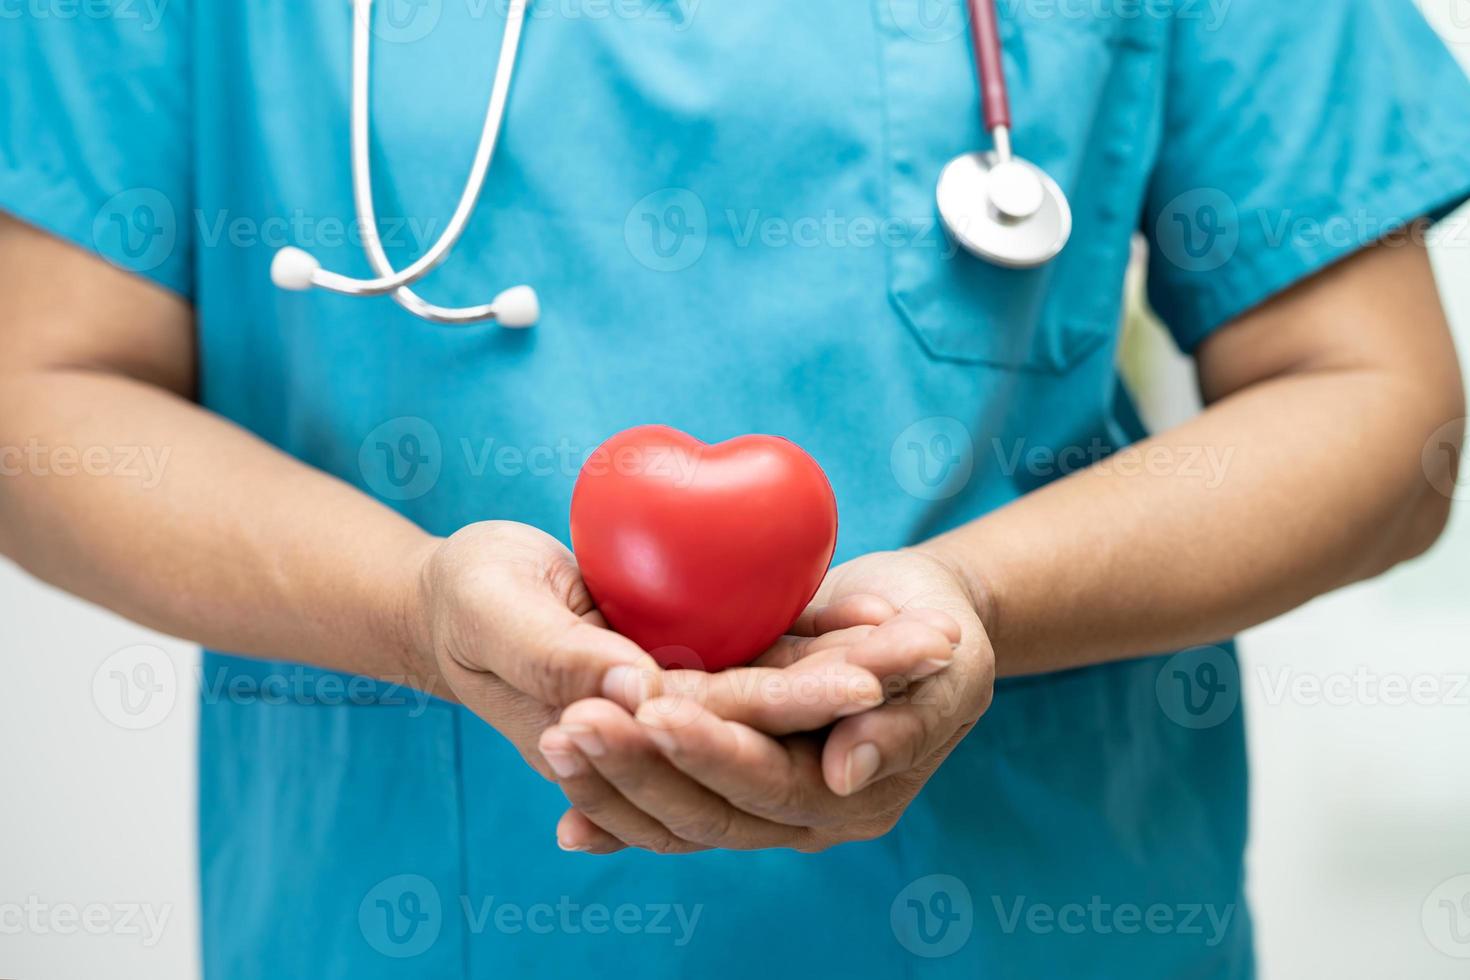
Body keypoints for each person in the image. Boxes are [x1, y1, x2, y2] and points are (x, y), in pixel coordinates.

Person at [2, 1, 1468, 976]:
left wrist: (980, 606)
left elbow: (1373, 398)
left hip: (1040, 918)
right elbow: (42, 397)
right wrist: (409, 613)